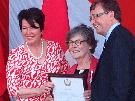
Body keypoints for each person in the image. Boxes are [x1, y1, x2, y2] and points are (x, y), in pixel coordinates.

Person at [6, 7, 69, 101]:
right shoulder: (15, 54)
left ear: (41, 29)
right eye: (24, 28)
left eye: (33, 27)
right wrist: (38, 90)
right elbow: (13, 90)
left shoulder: (54, 48)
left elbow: (66, 74)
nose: (28, 32)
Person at [89, 0, 135, 101]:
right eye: (91, 18)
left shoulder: (120, 40)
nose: (92, 22)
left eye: (96, 16)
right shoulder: (116, 37)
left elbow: (121, 86)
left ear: (111, 14)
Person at [66, 24, 98, 101]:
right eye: (70, 42)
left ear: (90, 44)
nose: (73, 46)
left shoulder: (100, 67)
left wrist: (95, 94)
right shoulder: (70, 71)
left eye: (78, 42)